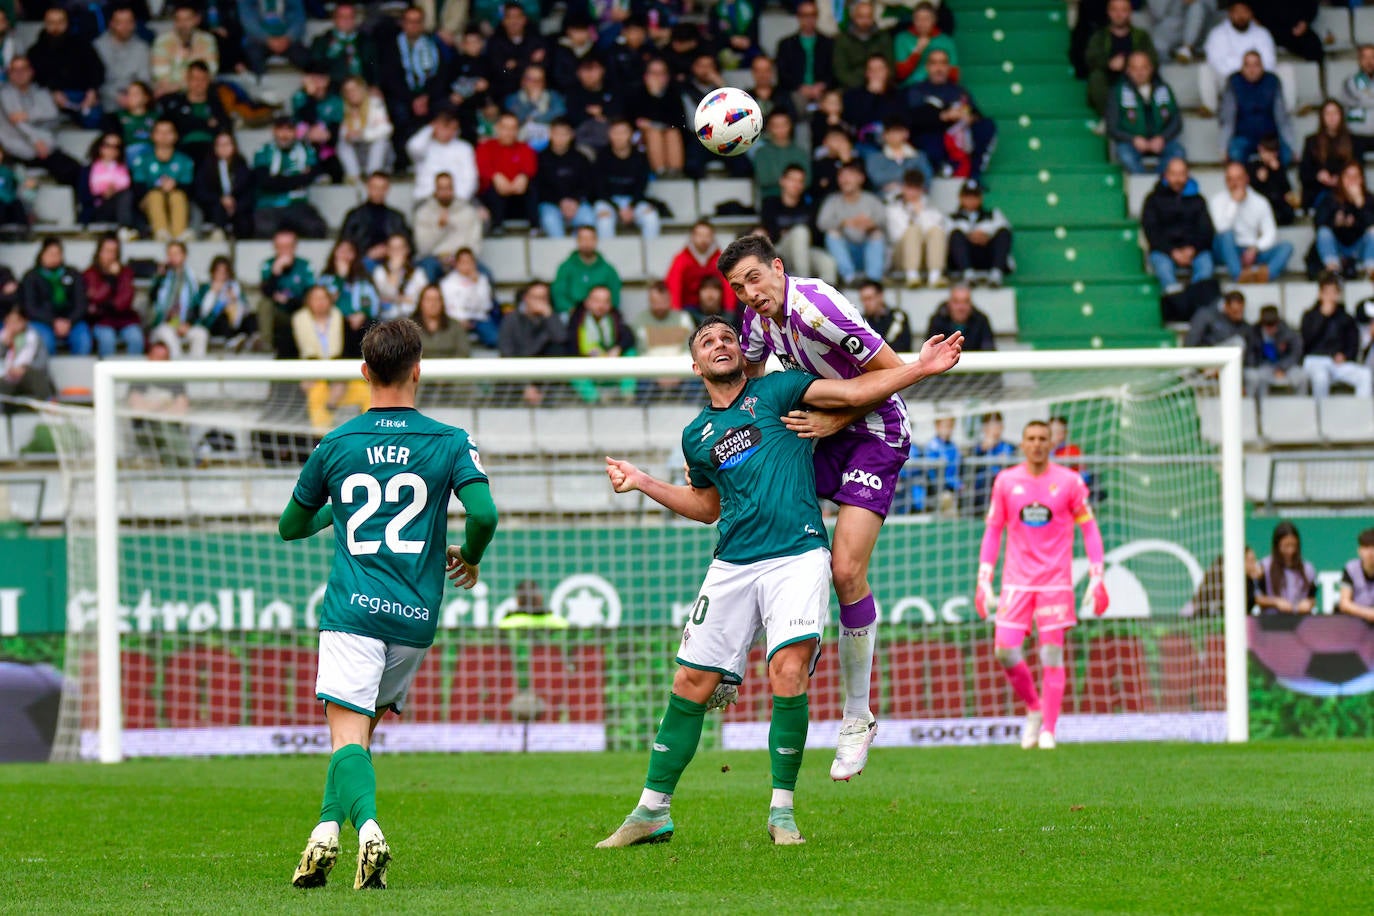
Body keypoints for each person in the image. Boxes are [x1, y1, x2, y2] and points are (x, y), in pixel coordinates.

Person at [597, 314, 962, 848]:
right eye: (707, 342)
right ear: (694, 364)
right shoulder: (696, 435)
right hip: (732, 564)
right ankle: (652, 811)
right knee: (690, 685)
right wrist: (645, 481)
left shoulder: (781, 390)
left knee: (787, 671)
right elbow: (706, 507)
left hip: (796, 555)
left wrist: (919, 368)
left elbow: (856, 390)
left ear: (741, 353)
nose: (719, 344)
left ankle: (782, 812)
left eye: (727, 337)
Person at [281, 317, 497, 890]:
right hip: (415, 618)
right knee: (358, 735)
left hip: (353, 612)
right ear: (418, 370)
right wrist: (470, 557)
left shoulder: (336, 442)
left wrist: (339, 509)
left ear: (363, 373)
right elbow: (484, 515)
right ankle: (324, 835)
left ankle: (370, 829)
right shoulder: (451, 440)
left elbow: (290, 525)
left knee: (346, 738)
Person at [720, 234, 920, 782]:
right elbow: (753, 392)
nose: (749, 293)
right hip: (821, 430)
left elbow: (898, 372)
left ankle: (857, 717)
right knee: (767, 523)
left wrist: (836, 421)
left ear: (778, 268)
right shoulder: (755, 324)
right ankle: (751, 650)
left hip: (876, 429)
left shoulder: (819, 309)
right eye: (738, 287)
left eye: (755, 279)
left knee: (846, 570)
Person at [975, 420, 1109, 750]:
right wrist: (983, 580)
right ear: (1021, 443)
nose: (1036, 443)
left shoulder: (1070, 482)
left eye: (1042, 439)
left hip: (1055, 583)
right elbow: (993, 531)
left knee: (1051, 655)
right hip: (1016, 582)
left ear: (1051, 444)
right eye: (1030, 438)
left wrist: (1097, 576)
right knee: (1005, 651)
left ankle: (1049, 729)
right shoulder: (1006, 481)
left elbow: (1089, 529)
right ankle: (1034, 708)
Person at [908, 49, 996, 181]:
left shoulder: (958, 91)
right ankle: (941, 170)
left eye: (943, 63)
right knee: (928, 138)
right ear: (927, 67)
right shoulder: (917, 90)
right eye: (934, 63)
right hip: (932, 136)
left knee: (986, 125)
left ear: (949, 67)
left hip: (958, 137)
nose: (939, 68)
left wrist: (969, 117)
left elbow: (977, 114)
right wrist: (944, 116)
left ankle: (973, 176)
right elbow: (913, 118)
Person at [0, 57, 83, 188]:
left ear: (31, 71)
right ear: (9, 74)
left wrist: (28, 115)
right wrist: (36, 140)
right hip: (20, 150)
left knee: (78, 171)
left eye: (23, 69)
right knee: (68, 170)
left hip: (45, 147)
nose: (19, 74)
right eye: (14, 70)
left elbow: (52, 112)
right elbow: (19, 124)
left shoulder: (40, 91)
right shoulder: (5, 94)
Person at [378, 4, 444, 164]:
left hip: (428, 95)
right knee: (399, 112)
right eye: (410, 21)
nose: (413, 26)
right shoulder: (391, 45)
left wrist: (425, 97)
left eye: (417, 22)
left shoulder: (433, 45)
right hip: (402, 95)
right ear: (403, 23)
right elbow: (390, 78)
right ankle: (402, 161)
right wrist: (412, 99)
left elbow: (441, 75)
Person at [1142, 157, 1216, 299]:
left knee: (1206, 264)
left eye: (1181, 174)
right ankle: (1176, 301)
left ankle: (1195, 300)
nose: (1178, 179)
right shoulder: (1153, 200)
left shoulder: (1198, 200)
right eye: (1174, 174)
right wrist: (1172, 251)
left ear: (1187, 176)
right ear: (1166, 175)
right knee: (1162, 266)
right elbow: (1151, 232)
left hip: (1194, 250)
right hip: (1165, 251)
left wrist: (1192, 249)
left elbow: (1206, 230)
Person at [1209, 161, 1291, 283]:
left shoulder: (1260, 201)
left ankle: (1264, 275)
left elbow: (1270, 232)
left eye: (1238, 178)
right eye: (1230, 179)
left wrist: (1255, 248)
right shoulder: (1217, 200)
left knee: (1286, 247)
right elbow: (1221, 228)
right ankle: (1239, 276)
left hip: (1251, 249)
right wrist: (1234, 203)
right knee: (1226, 235)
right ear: (1225, 182)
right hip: (1227, 250)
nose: (1234, 183)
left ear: (1247, 179)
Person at [1107, 51, 1186, 176]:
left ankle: (1157, 181)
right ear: (1128, 70)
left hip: (1161, 142)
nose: (1140, 73)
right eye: (1135, 68)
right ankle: (1144, 184)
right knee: (1125, 155)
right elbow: (1112, 127)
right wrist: (1133, 139)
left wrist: (1162, 138)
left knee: (1178, 153)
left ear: (1151, 69)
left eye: (1144, 68)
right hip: (1131, 143)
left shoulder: (1163, 89)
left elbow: (1177, 121)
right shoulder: (1118, 91)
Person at [1199, 0, 1282, 117]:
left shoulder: (1262, 33)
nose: (1241, 16)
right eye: (1237, 12)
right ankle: (1209, 107)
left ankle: (1288, 110)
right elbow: (1216, 62)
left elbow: (1269, 61)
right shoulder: (1217, 34)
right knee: (1205, 69)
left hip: (1259, 82)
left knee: (1285, 69)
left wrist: (1252, 73)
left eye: (1244, 12)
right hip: (1229, 82)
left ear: (1251, 14)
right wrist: (1244, 73)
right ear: (1230, 14)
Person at [27, 7, 104, 129]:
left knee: (93, 119)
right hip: (48, 97)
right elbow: (33, 79)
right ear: (45, 24)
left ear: (67, 23)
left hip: (81, 95)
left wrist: (92, 92)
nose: (56, 27)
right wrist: (52, 92)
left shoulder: (82, 45)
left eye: (60, 22)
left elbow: (97, 70)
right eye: (51, 23)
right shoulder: (35, 51)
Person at [1300, 273, 1372, 399]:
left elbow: (1353, 343)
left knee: (1365, 375)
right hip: (1315, 360)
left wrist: (1345, 355)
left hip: (1337, 362)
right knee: (1321, 378)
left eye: (1334, 293)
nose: (1330, 297)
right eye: (1327, 293)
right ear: (1320, 294)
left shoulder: (1346, 318)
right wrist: (1322, 317)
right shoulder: (1309, 316)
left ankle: (1361, 414)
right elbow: (1306, 340)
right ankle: (1322, 415)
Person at [253, 116, 327, 238]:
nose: (284, 135)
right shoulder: (263, 151)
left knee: (316, 228)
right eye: (281, 130)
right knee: (263, 231)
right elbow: (265, 181)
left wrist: (277, 179)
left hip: (297, 204)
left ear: (295, 132)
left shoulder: (306, 151)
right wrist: (298, 178)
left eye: (289, 130)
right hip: (269, 205)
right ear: (274, 131)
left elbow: (311, 177)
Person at [817, 161, 888, 286]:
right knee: (832, 233)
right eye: (841, 176)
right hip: (846, 253)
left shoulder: (871, 200)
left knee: (877, 233)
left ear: (861, 178)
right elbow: (821, 223)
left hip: (867, 251)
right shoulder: (832, 201)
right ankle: (849, 277)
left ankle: (873, 279)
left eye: (849, 175)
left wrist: (870, 224)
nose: (845, 179)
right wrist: (844, 223)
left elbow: (883, 220)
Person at [1219, 51, 1296, 165]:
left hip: (1270, 138)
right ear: (1242, 67)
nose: (1251, 69)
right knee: (1235, 154)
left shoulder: (1272, 81)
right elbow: (1228, 118)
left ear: (1262, 67)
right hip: (1243, 136)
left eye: (1256, 65)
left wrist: (1292, 146)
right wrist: (1223, 148)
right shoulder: (1233, 82)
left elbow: (1282, 118)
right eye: (1247, 65)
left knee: (1286, 155)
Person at [761, 164, 834, 284]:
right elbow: (770, 233)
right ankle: (803, 285)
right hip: (780, 251)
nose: (796, 184)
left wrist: (789, 232)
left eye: (800, 181)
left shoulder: (808, 207)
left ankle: (828, 299)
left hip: (804, 250)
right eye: (792, 180)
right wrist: (795, 234)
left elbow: (816, 236)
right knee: (800, 231)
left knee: (827, 262)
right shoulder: (771, 204)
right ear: (782, 181)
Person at [1085, 0, 1158, 117]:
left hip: (1135, 79)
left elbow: (1153, 60)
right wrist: (1109, 63)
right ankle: (1109, 119)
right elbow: (1091, 59)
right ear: (1109, 12)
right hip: (1109, 80)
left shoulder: (1141, 36)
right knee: (1096, 77)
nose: (1119, 14)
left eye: (1123, 10)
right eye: (1115, 10)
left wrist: (1133, 65)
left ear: (1130, 12)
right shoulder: (1100, 36)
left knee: (1150, 76)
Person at [498, 281, 566, 405]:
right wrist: (525, 386)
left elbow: (562, 339)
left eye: (543, 298)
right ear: (526, 298)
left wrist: (549, 315)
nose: (540, 302)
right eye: (536, 297)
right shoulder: (511, 320)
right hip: (516, 377)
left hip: (544, 379)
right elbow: (506, 354)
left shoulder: (550, 318)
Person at [20, 238, 89, 356]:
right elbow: (30, 308)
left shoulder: (73, 274)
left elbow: (81, 303)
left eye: (57, 254)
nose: (54, 257)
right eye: (50, 253)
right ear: (42, 254)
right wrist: (53, 322)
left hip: (71, 321)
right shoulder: (31, 277)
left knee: (84, 340)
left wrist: (69, 321)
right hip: (42, 321)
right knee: (46, 342)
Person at [594, 120, 660, 240]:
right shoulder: (601, 156)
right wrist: (618, 208)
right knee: (604, 220)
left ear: (630, 134)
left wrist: (631, 206)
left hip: (634, 201)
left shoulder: (640, 157)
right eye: (615, 133)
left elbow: (641, 186)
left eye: (623, 132)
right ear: (609, 134)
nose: (619, 137)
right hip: (608, 201)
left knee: (651, 218)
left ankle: (652, 257)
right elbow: (600, 188)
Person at [131, 119, 196, 241]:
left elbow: (189, 188)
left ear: (175, 136)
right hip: (148, 201)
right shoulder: (143, 160)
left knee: (177, 196)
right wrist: (160, 187)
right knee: (155, 195)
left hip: (177, 199)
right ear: (153, 136)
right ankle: (161, 234)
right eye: (160, 132)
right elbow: (138, 188)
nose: (164, 136)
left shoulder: (184, 160)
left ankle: (178, 236)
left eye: (168, 132)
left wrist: (174, 186)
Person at [476, 111, 538, 233]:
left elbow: (530, 168)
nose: (509, 132)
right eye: (505, 128)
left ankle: (535, 227)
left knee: (532, 188)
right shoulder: (485, 147)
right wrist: (495, 177)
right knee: (493, 189)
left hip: (518, 195)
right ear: (497, 128)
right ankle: (496, 227)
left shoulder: (525, 148)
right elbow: (483, 169)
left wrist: (523, 177)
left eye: (513, 128)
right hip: (494, 196)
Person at [319, 238, 381, 357]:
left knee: (371, 326)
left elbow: (373, 303)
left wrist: (362, 313)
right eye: (341, 251)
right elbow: (326, 302)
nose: (344, 255)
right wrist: (341, 278)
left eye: (349, 251)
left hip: (360, 322)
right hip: (335, 321)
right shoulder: (326, 279)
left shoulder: (363, 280)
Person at [84, 235, 143, 358]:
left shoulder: (126, 272)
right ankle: (106, 375)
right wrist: (110, 279)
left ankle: (133, 375)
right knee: (107, 340)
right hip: (100, 320)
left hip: (124, 318)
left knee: (136, 338)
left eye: (114, 252)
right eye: (107, 251)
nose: (110, 255)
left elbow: (126, 299)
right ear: (99, 252)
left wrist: (106, 305)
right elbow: (95, 297)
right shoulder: (90, 273)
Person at [261, 227, 316, 358]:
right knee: (264, 305)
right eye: (280, 247)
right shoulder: (268, 265)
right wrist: (275, 273)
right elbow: (266, 292)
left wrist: (289, 301)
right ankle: (266, 344)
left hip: (300, 307)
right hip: (278, 312)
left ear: (294, 247)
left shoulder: (304, 265)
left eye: (288, 246)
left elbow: (310, 292)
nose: (284, 251)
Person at [887, 169, 947, 288]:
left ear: (922, 190)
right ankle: (912, 276)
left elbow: (937, 231)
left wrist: (920, 213)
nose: (913, 192)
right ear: (903, 188)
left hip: (926, 257)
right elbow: (896, 236)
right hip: (902, 257)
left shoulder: (930, 207)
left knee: (936, 231)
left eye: (917, 188)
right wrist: (912, 212)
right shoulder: (892, 208)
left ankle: (935, 276)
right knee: (912, 231)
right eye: (910, 188)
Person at [947, 181, 1013, 288]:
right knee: (956, 236)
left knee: (1004, 233)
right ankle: (968, 275)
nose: (971, 200)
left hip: (986, 254)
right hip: (964, 257)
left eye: (975, 196)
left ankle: (996, 274)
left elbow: (1004, 227)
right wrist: (970, 235)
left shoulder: (993, 214)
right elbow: (949, 233)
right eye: (968, 196)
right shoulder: (951, 217)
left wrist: (985, 233)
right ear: (960, 198)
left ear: (981, 198)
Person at [147, 241, 206, 358]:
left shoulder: (192, 279)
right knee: (168, 335)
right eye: (170, 254)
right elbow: (152, 299)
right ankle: (179, 372)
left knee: (200, 334)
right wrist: (159, 278)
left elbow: (196, 307)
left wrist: (187, 324)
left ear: (184, 256)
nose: (173, 257)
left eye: (176, 253)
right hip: (163, 324)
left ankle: (197, 372)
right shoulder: (162, 277)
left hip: (184, 323)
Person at [1314, 163, 1374, 278]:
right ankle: (1333, 270)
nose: (1351, 181)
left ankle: (1371, 270)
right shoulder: (1331, 197)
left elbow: (1371, 224)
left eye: (1355, 177)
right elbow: (1318, 223)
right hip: (1338, 247)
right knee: (1323, 232)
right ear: (1341, 179)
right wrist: (1335, 223)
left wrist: (1360, 204)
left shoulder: (1369, 198)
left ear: (1361, 179)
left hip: (1359, 248)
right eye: (1348, 177)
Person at [407, 110, 478, 206]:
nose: (450, 132)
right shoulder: (424, 146)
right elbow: (413, 147)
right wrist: (430, 129)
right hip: (426, 198)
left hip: (458, 199)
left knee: (481, 215)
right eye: (446, 127)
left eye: (454, 128)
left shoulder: (464, 148)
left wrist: (456, 202)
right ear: (435, 126)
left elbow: (470, 179)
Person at [776, 2, 834, 115]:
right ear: (798, 17)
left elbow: (833, 71)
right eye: (805, 15)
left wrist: (822, 85)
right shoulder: (786, 44)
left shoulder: (828, 44)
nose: (809, 19)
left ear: (817, 17)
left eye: (812, 15)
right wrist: (800, 87)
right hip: (796, 92)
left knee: (831, 104)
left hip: (822, 92)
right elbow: (782, 73)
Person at [194, 131, 255, 240]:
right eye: (220, 145)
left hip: (238, 208)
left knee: (245, 219)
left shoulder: (242, 167)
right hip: (214, 206)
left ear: (234, 146)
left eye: (227, 144)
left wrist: (234, 203)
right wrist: (221, 200)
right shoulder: (206, 168)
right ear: (215, 147)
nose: (224, 148)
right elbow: (201, 193)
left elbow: (249, 192)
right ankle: (218, 233)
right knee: (217, 209)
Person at [666, 221, 736, 314]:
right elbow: (673, 286)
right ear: (692, 237)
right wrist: (676, 313)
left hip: (716, 309)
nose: (703, 239)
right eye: (700, 235)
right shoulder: (681, 259)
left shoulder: (721, 258)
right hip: (688, 309)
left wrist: (729, 310)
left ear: (713, 237)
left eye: (707, 235)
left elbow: (729, 285)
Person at [340, 173, 412, 264]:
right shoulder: (354, 216)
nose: (378, 191)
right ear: (368, 187)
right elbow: (345, 244)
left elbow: (408, 245)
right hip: (360, 262)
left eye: (382, 188)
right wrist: (367, 254)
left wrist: (388, 250)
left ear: (387, 189)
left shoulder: (397, 217)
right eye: (374, 187)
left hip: (391, 262)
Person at [151, 3, 220, 97]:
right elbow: (161, 78)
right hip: (172, 96)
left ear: (197, 20)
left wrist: (177, 85)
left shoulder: (207, 40)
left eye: (187, 19)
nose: (183, 25)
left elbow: (211, 74)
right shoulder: (162, 42)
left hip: (201, 94)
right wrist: (194, 83)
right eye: (178, 20)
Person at [413, 172, 483, 264]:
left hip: (462, 260)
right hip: (435, 259)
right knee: (427, 267)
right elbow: (423, 249)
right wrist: (439, 228)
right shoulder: (423, 213)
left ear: (453, 189)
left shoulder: (468, 211)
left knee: (486, 274)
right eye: (441, 188)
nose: (445, 192)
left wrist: (462, 259)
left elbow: (475, 245)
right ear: (435, 190)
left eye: (448, 188)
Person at [1299, 100, 1356, 212]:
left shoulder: (1352, 141)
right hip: (1319, 191)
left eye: (1335, 113)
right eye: (1328, 113)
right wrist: (1318, 176)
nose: (1332, 117)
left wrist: (1342, 179)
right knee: (1328, 201)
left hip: (1346, 190)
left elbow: (1358, 170)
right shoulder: (1311, 141)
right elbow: (1303, 173)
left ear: (1341, 116)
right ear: (1322, 117)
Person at [94, 7, 151, 115]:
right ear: (111, 24)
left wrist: (132, 97)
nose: (125, 27)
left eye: (129, 22)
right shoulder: (98, 47)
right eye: (120, 22)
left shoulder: (142, 47)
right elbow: (97, 82)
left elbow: (144, 79)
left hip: (135, 100)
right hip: (106, 99)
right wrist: (117, 97)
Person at [553, 225, 622, 314]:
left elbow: (615, 298)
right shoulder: (565, 267)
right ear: (577, 241)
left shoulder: (608, 270)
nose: (587, 243)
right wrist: (572, 310)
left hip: (601, 313)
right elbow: (559, 295)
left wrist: (601, 309)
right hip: (572, 314)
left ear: (596, 241)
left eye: (590, 239)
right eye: (583, 239)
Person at [336, 77, 393, 183]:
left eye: (354, 89)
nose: (351, 94)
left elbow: (386, 129)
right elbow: (343, 133)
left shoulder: (376, 103)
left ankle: (372, 175)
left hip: (376, 152)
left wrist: (363, 134)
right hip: (358, 150)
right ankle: (354, 176)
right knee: (342, 143)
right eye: (347, 91)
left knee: (380, 141)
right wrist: (349, 135)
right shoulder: (344, 107)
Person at [307, 2, 376, 88]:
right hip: (331, 90)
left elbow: (374, 68)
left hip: (362, 90)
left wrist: (375, 86)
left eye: (350, 17)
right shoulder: (321, 41)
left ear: (355, 19)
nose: (346, 20)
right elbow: (315, 66)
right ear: (335, 19)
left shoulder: (365, 41)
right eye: (342, 17)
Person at [439, 247, 497, 347]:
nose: (466, 266)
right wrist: (461, 319)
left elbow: (487, 306)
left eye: (469, 262)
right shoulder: (447, 283)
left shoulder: (482, 280)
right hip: (456, 319)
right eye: (463, 262)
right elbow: (447, 307)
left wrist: (475, 285)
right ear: (456, 264)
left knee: (495, 339)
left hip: (478, 319)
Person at [1254, 520, 1315, 615]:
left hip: (1299, 620)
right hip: (1271, 621)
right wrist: (1275, 602)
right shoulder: (1264, 566)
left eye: (1293, 545)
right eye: (1286, 546)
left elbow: (1312, 597)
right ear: (1277, 545)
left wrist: (1307, 603)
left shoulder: (1307, 568)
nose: (1290, 551)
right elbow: (1257, 598)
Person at [1245, 304, 1307, 396]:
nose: (1270, 329)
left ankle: (1301, 407)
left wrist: (1282, 367)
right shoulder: (1253, 332)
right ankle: (1262, 408)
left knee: (1301, 377)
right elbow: (1250, 355)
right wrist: (1258, 364)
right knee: (1260, 378)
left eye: (1273, 324)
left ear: (1278, 322)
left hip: (1287, 366)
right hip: (1263, 365)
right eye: (1267, 325)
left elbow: (1295, 354)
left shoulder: (1288, 332)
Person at [0, 306, 55, 409]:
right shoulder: (3, 337)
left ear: (24, 321)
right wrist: (3, 344)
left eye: (16, 322)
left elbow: (42, 364)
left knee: (35, 377)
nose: (12, 326)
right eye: (9, 322)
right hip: (10, 381)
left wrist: (24, 369)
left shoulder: (34, 337)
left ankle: (48, 406)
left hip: (30, 379)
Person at [894, 1, 957, 89]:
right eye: (918, 19)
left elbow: (954, 75)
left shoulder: (945, 41)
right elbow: (900, 74)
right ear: (913, 20)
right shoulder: (902, 38)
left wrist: (937, 64)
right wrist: (917, 52)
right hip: (910, 89)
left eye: (926, 19)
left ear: (934, 20)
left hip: (938, 88)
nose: (922, 23)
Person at [81, 132, 136, 230]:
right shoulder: (88, 170)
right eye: (107, 146)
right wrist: (103, 195)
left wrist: (114, 191)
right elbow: (83, 197)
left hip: (119, 207)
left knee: (126, 196)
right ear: (99, 147)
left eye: (116, 147)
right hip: (97, 208)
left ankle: (125, 228)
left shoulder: (126, 170)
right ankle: (126, 228)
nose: (112, 150)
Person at [752, 111, 811, 202]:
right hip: (770, 200)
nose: (780, 129)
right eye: (776, 126)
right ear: (769, 128)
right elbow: (764, 179)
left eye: (784, 125)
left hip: (798, 200)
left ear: (790, 126)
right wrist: (793, 181)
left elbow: (807, 181)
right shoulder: (761, 153)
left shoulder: (800, 152)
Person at [833, 1, 892, 91]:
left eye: (868, 17)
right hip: (852, 89)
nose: (865, 21)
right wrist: (863, 86)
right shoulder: (843, 40)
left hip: (880, 87)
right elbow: (841, 72)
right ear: (854, 18)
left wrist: (878, 82)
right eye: (861, 17)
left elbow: (891, 68)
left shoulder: (883, 38)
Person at [863, 120, 930, 199]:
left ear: (906, 133)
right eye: (889, 132)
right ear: (884, 135)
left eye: (897, 132)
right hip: (885, 198)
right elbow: (877, 179)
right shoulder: (874, 157)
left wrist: (903, 186)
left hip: (915, 196)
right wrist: (911, 178)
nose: (893, 136)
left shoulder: (919, 156)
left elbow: (927, 179)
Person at [240, 0, 308, 77]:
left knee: (304, 59)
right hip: (258, 39)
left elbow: (299, 18)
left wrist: (288, 37)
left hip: (286, 38)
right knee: (253, 57)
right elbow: (248, 21)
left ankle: (311, 85)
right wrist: (267, 39)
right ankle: (261, 85)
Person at [196, 254, 254, 345]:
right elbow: (202, 312)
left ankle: (252, 339)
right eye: (218, 272)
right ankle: (231, 340)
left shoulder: (234, 287)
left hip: (234, 321)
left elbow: (246, 308)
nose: (221, 276)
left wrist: (236, 300)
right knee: (223, 316)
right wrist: (213, 293)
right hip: (214, 324)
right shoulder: (206, 288)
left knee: (251, 317)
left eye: (224, 273)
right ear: (213, 272)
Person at [926, 282, 997, 351]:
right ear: (949, 304)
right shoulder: (937, 321)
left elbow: (989, 351)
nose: (961, 307)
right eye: (956, 302)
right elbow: (930, 352)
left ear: (971, 304)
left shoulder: (981, 321)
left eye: (965, 302)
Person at [373, 235, 429, 319]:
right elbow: (381, 297)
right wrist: (394, 272)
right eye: (393, 248)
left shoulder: (418, 273)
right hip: (386, 319)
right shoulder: (379, 272)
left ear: (407, 250)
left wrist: (394, 299)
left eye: (400, 248)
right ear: (387, 251)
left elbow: (423, 299)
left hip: (412, 318)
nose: (396, 252)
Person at [970, 411, 1015, 515]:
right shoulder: (977, 448)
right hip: (981, 491)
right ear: (984, 428)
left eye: (997, 424)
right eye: (990, 425)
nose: (994, 428)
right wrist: (982, 449)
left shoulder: (1009, 447)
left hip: (1004, 487)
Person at [1247, 136, 1297, 227]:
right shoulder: (1253, 166)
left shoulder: (1279, 168)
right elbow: (1249, 190)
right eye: (1267, 152)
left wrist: (1277, 172)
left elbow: (1287, 190)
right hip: (1260, 204)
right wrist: (1258, 180)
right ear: (1260, 150)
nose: (1270, 155)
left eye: (1273, 152)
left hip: (1277, 204)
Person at [411, 283, 471, 358]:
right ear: (421, 303)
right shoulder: (408, 328)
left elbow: (464, 352)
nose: (433, 303)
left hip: (451, 368)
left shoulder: (455, 325)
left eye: (436, 299)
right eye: (428, 299)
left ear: (442, 303)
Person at [858, 280, 911, 352]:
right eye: (863, 300)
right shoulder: (860, 322)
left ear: (880, 296)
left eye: (869, 298)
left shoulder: (899, 317)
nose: (866, 304)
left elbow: (904, 347)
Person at [1341, 45, 1374, 160]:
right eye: (1365, 58)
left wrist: (1364, 100)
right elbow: (1353, 105)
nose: (1369, 61)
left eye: (1372, 57)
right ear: (1359, 60)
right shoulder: (1350, 82)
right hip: (1358, 134)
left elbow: (1363, 100)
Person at [1336, 529, 1374, 623]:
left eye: (1373, 547)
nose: (1370, 553)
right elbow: (1344, 603)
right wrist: (1369, 614)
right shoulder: (1351, 569)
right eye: (1366, 547)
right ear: (1359, 551)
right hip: (1355, 622)